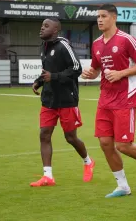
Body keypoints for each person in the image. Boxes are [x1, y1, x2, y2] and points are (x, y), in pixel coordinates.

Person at [81, 4, 136, 198]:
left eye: (103, 16)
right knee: (106, 143)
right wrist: (91, 74)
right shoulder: (97, 43)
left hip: (125, 99)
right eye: (98, 16)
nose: (99, 19)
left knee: (123, 146)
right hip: (105, 100)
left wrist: (121, 73)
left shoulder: (126, 40)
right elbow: (97, 69)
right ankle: (123, 186)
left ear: (113, 18)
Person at [30, 17, 95, 187]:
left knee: (70, 137)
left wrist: (55, 77)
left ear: (56, 29)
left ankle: (88, 162)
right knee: (44, 134)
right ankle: (48, 176)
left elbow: (76, 69)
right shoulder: (43, 47)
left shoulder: (63, 45)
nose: (41, 28)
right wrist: (39, 81)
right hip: (48, 100)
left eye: (46, 26)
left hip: (67, 99)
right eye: (41, 25)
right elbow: (47, 71)